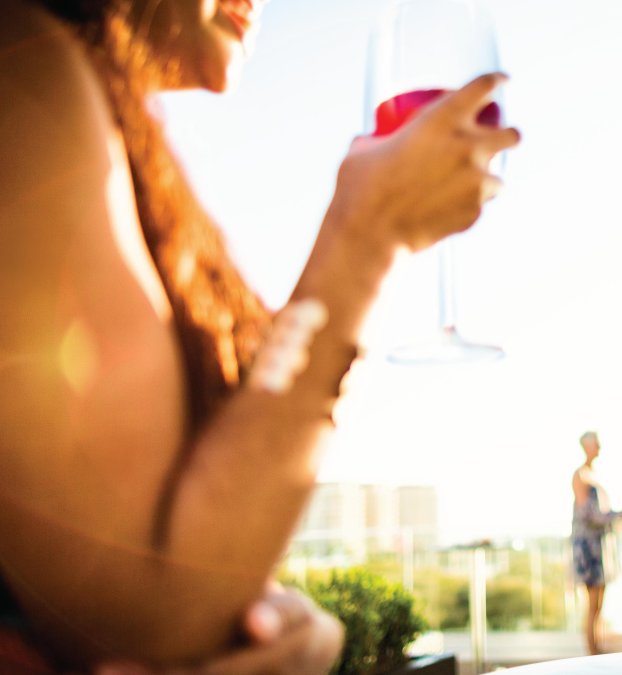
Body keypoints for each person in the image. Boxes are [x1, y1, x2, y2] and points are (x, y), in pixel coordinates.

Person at [0, 0, 519, 671]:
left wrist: (273, 616)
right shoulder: (21, 66)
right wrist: (366, 238)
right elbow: (144, 618)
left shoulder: (105, 121)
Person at [571, 431, 622, 656]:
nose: (600, 448)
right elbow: (589, 515)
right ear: (587, 446)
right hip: (588, 548)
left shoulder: (593, 474)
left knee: (600, 604)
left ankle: (598, 649)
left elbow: (600, 514)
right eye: (597, 444)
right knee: (592, 605)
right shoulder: (580, 475)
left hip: (599, 546)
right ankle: (592, 654)